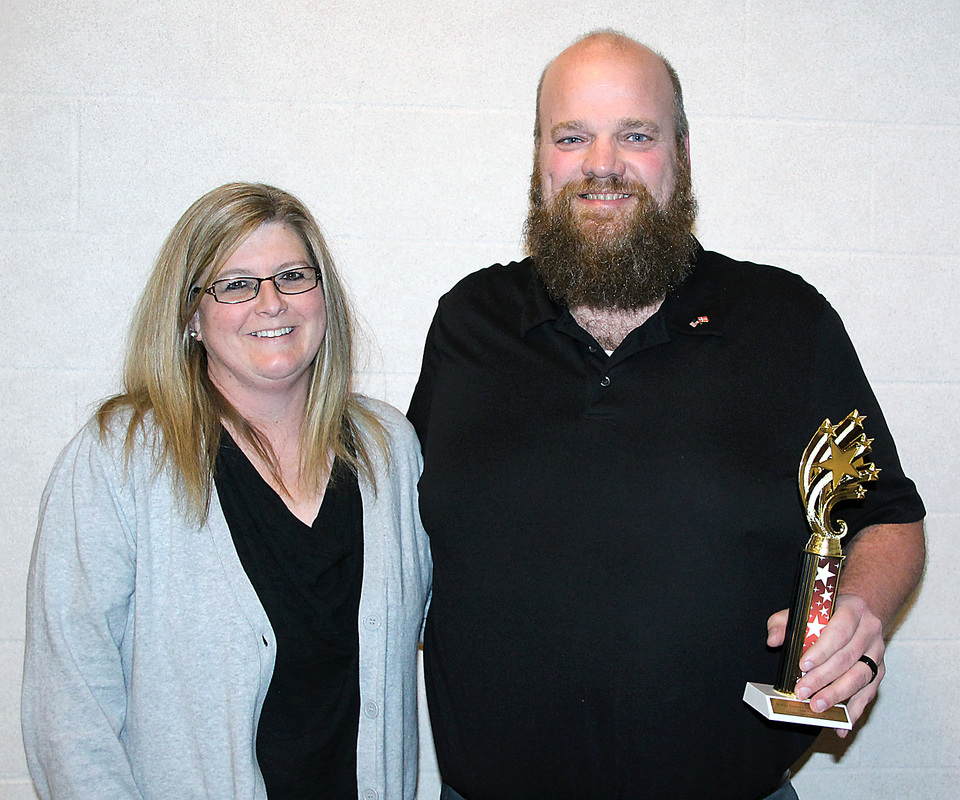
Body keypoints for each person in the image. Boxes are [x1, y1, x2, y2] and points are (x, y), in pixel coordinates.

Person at [407, 31, 925, 800]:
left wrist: (858, 610)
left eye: (636, 135)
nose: (602, 163)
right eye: (572, 135)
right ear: (541, 158)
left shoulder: (785, 320)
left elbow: (888, 517)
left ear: (680, 152)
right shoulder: (469, 321)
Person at [22, 183, 432, 800]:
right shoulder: (121, 456)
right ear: (191, 315)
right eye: (236, 284)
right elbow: (69, 709)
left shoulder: (388, 451)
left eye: (293, 276)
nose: (271, 303)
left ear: (324, 297)